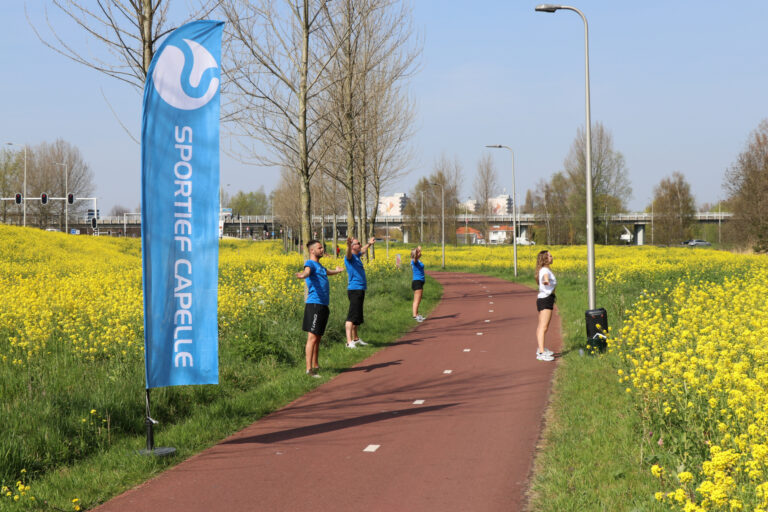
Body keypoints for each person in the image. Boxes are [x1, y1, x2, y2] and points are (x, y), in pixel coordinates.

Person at [295, 240, 344, 377]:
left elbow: (327, 272)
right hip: (315, 305)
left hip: (323, 305)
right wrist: (302, 275)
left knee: (318, 337)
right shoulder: (310, 263)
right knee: (312, 337)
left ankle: (316, 365)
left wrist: (337, 271)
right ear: (312, 251)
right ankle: (309, 370)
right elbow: (307, 271)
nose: (322, 249)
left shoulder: (320, 266)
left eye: (322, 247)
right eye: (319, 248)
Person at [344, 236, 375, 348]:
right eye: (358, 243)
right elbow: (348, 253)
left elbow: (363, 250)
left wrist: (369, 244)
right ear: (352, 246)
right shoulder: (350, 257)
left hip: (360, 289)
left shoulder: (357, 255)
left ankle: (355, 339)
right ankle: (348, 342)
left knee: (357, 316)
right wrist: (347, 245)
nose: (360, 245)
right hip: (354, 289)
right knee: (352, 316)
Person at [534, 250, 556, 362]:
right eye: (550, 256)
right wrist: (546, 281)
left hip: (543, 299)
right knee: (544, 327)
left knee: (541, 326)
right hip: (546, 299)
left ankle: (540, 349)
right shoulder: (545, 270)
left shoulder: (543, 270)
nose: (552, 257)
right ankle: (542, 353)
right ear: (545, 259)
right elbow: (545, 278)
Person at [411, 246, 426, 322]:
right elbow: (415, 259)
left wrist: (418, 250)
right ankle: (415, 316)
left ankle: (417, 314)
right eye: (418, 252)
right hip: (417, 282)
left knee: (418, 300)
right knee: (416, 300)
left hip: (419, 282)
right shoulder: (414, 261)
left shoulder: (418, 261)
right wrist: (417, 251)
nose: (420, 253)